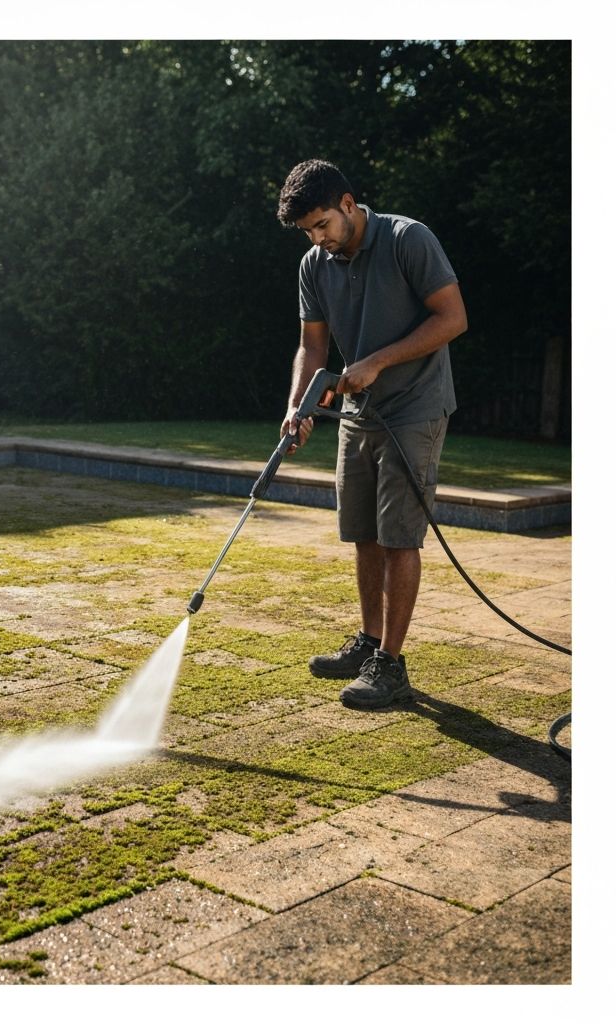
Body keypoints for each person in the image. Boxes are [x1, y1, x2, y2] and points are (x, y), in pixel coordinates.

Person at [276, 158, 467, 710]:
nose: (317, 239)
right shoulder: (316, 264)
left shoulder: (409, 239)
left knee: (398, 537)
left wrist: (377, 361)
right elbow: (313, 347)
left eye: (322, 225)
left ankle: (393, 663)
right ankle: (369, 641)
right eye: (308, 232)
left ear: (348, 205)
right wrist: (298, 403)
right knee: (362, 530)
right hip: (358, 413)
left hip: (415, 408)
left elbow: (452, 318)